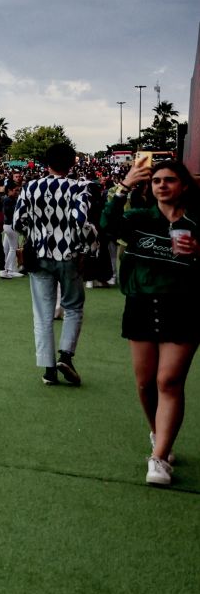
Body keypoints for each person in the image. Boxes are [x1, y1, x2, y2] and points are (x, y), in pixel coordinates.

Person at [102, 159, 199, 485]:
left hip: (184, 307)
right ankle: (159, 434)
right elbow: (107, 225)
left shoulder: (196, 223)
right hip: (141, 304)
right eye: (157, 180)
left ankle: (159, 460)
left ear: (183, 185)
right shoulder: (138, 218)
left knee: (169, 381)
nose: (162, 185)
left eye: (169, 180)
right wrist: (124, 186)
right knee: (145, 384)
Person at [13, 142, 93, 387]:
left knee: (42, 313)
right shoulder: (80, 188)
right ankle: (66, 356)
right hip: (68, 254)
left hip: (38, 255)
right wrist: (86, 247)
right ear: (72, 163)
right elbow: (82, 220)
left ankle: (49, 369)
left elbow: (19, 222)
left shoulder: (30, 187)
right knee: (73, 307)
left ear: (46, 162)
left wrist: (37, 231)